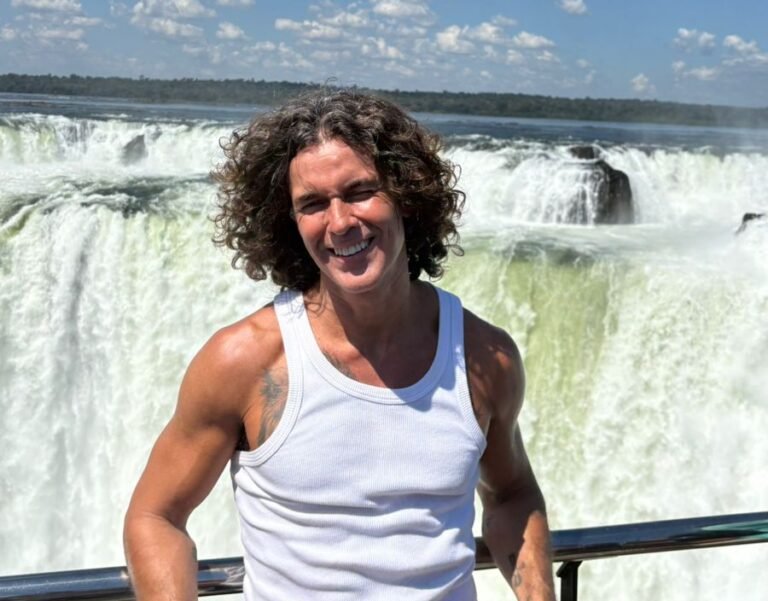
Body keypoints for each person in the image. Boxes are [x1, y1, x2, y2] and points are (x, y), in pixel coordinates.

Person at [123, 90, 555, 601]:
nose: (341, 221)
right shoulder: (244, 361)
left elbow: (511, 495)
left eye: (360, 191)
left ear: (407, 195)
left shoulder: (485, 358)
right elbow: (155, 517)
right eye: (312, 204)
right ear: (289, 222)